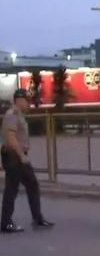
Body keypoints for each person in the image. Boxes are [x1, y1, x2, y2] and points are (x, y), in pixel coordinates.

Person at [1, 89, 53, 233]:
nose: (28, 103)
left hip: (17, 156)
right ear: (19, 100)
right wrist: (21, 155)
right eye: (26, 100)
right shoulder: (12, 115)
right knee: (12, 189)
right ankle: (6, 223)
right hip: (14, 156)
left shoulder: (19, 115)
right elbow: (10, 137)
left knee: (31, 184)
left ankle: (38, 218)